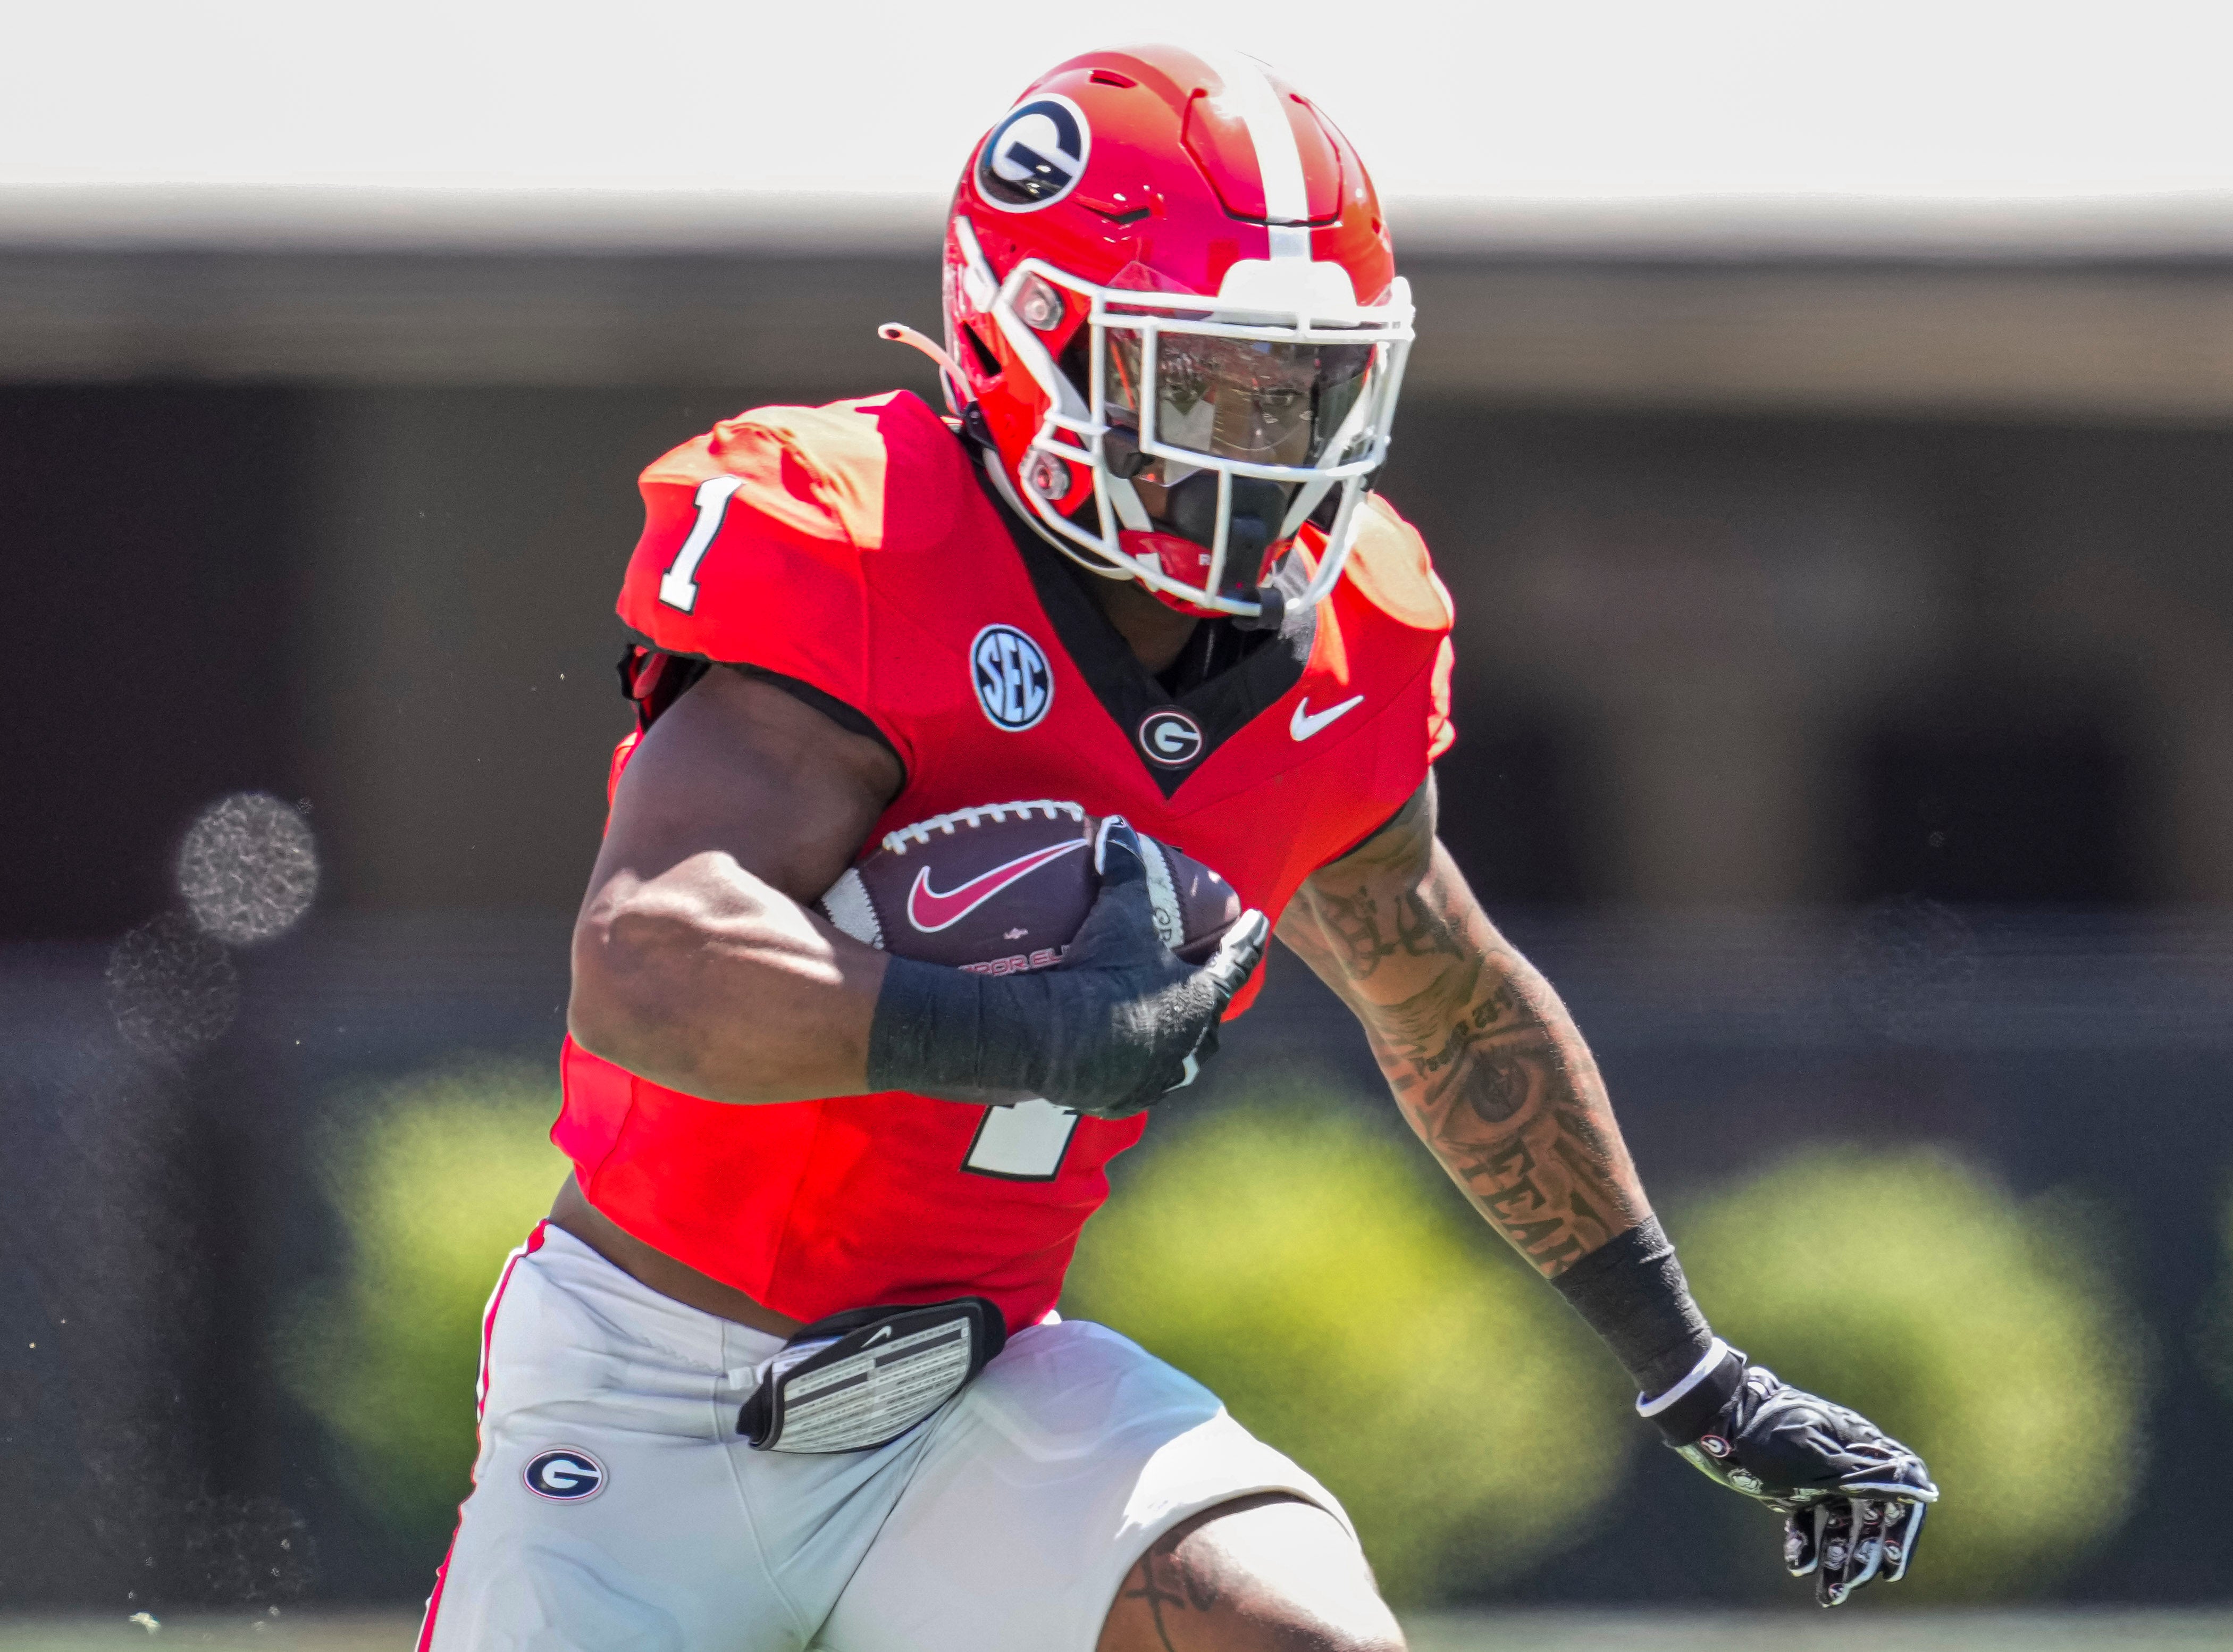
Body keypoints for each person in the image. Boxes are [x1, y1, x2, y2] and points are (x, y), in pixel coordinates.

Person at [418, 42, 1936, 1652]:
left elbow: (1445, 997)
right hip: (649, 1395)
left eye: (1305, 385)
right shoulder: (859, 535)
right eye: (1207, 380)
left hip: (983, 1388)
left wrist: (1692, 1362)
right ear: (1030, 337)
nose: (1266, 439)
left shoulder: (1352, 629)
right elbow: (645, 960)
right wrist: (1028, 1032)